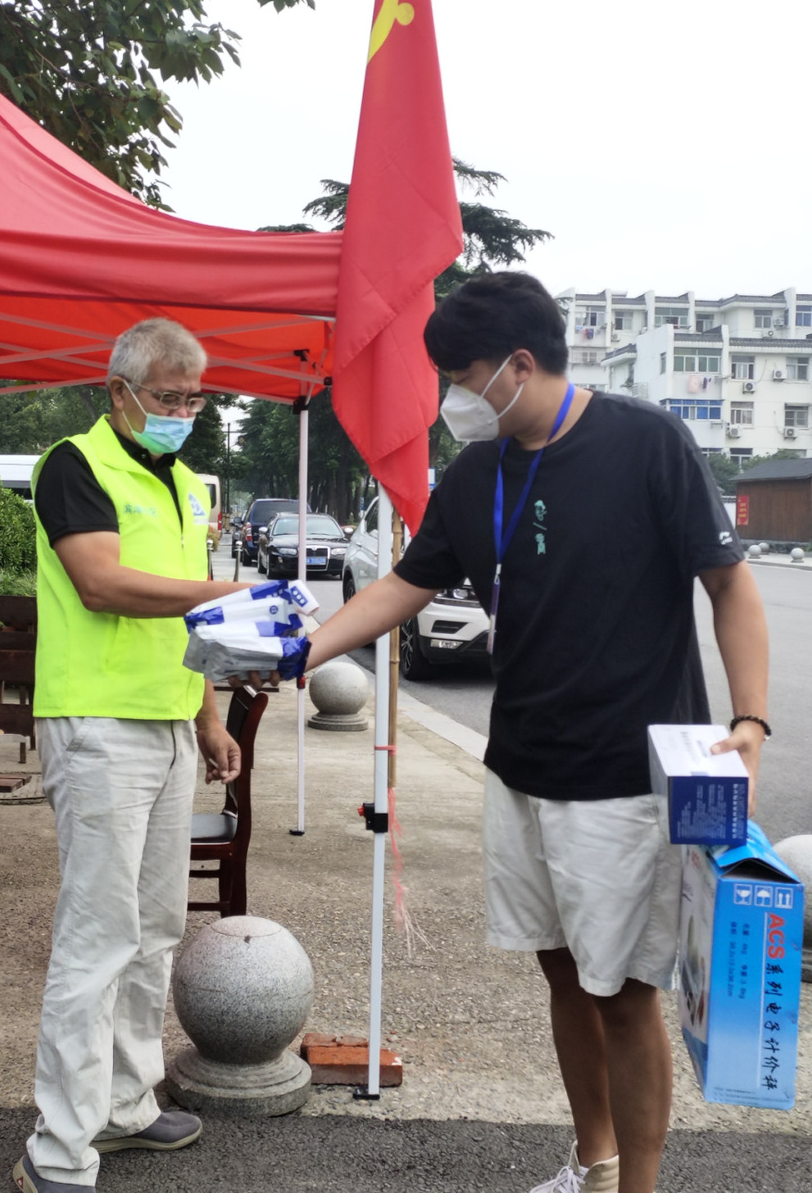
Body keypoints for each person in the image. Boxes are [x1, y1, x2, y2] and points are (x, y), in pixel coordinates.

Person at [302, 272, 769, 1193]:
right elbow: (406, 585)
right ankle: (592, 1162)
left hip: (623, 778)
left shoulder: (645, 441)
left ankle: (636, 1187)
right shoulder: (477, 472)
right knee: (561, 976)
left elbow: (729, 584)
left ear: (518, 364)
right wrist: (301, 649)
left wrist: (748, 719)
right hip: (519, 766)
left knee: (624, 996)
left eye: (461, 377)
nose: (453, 401)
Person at [15, 319, 250, 1193]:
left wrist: (208, 716)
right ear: (117, 391)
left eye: (195, 399)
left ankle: (124, 1102)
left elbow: (190, 626)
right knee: (97, 935)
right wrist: (229, 591)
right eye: (167, 397)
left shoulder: (186, 485)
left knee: (154, 930)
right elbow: (100, 583)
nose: (182, 413)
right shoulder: (73, 465)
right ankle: (59, 1142)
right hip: (96, 723)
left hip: (165, 721)